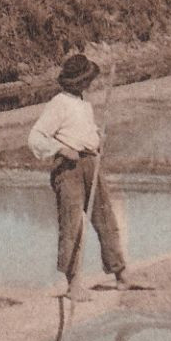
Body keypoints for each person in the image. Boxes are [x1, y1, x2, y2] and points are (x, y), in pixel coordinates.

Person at [29, 53, 130, 299]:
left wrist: (97, 141)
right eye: (88, 80)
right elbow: (35, 137)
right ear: (78, 81)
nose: (91, 84)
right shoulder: (58, 104)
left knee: (105, 217)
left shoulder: (83, 102)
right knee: (72, 224)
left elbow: (86, 131)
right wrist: (63, 149)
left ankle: (121, 274)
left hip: (90, 164)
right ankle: (73, 284)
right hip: (69, 169)